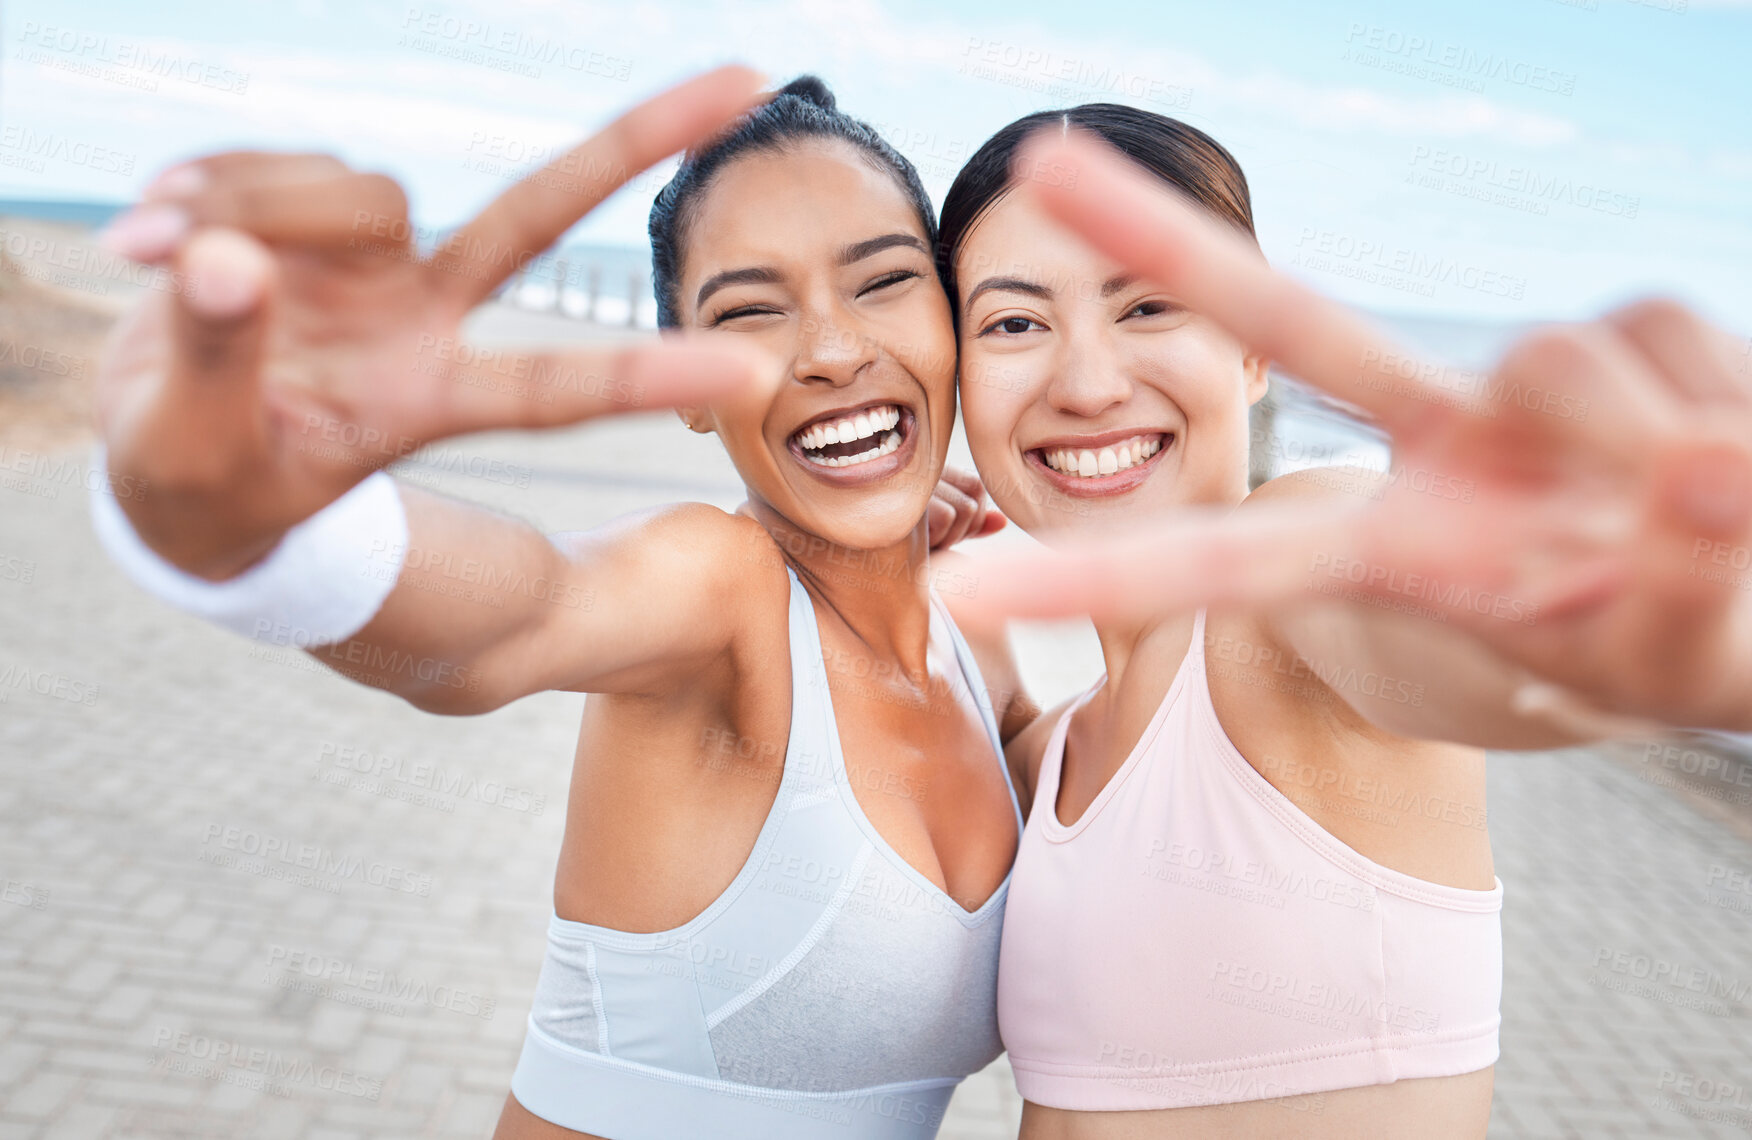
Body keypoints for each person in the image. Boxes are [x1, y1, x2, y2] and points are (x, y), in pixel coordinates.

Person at [91, 70, 1031, 1140]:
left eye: (882, 281)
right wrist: (242, 504)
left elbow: (1141, 788)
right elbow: (521, 613)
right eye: (751, 310)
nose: (831, 351)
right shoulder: (717, 595)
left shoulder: (978, 649)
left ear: (953, 321)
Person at [937, 102, 1749, 1138]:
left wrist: (1576, 612)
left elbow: (1403, 614)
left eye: (1147, 308)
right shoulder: (1056, 751)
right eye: (1013, 323)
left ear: (1256, 354)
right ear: (961, 382)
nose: (1089, 382)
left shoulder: (1287, 589)